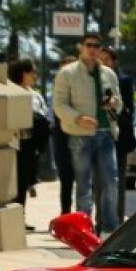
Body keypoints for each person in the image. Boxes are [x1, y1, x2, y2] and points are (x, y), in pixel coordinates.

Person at [52, 33, 122, 234]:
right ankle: (84, 230)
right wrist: (78, 118)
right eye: (89, 45)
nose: (93, 49)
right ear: (81, 48)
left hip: (106, 133)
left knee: (111, 182)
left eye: (97, 46)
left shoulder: (108, 74)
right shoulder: (67, 73)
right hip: (79, 136)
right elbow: (59, 105)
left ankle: (109, 228)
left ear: (101, 50)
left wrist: (114, 103)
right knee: (84, 185)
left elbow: (119, 101)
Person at [6, 58, 50, 231]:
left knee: (24, 182)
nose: (35, 75)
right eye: (32, 71)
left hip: (30, 146)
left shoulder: (35, 95)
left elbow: (43, 116)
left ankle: (20, 217)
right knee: (14, 182)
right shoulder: (11, 92)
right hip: (14, 143)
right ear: (22, 73)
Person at [100, 47, 136, 227]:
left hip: (118, 137)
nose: (103, 64)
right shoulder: (92, 80)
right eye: (100, 60)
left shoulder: (124, 81)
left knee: (116, 181)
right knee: (98, 182)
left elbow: (128, 109)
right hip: (97, 135)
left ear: (114, 62)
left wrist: (113, 105)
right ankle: (100, 220)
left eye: (107, 60)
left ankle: (117, 220)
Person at [50, 55, 78, 215]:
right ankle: (65, 213)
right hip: (62, 136)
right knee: (66, 178)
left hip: (80, 134)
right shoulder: (57, 90)